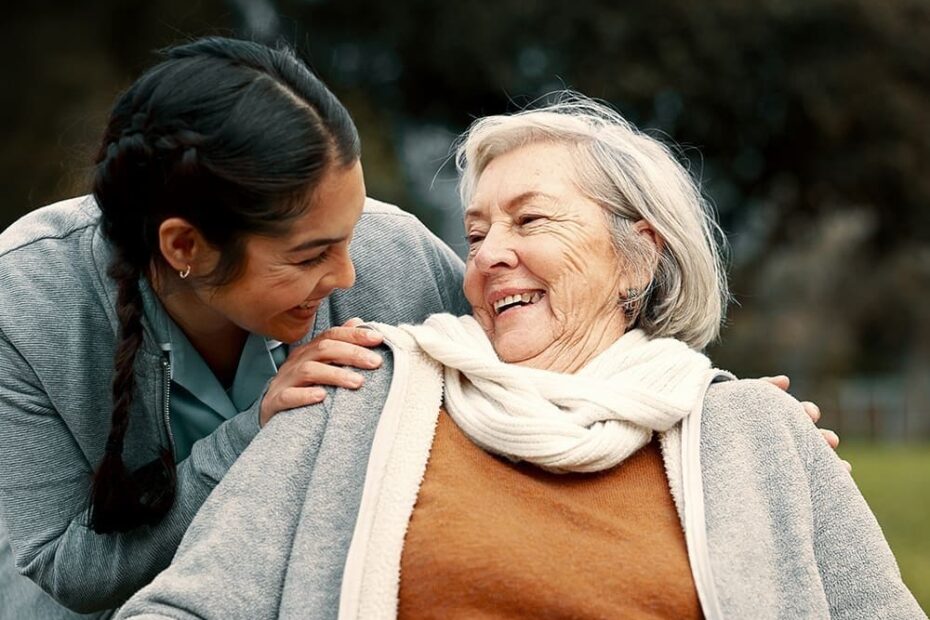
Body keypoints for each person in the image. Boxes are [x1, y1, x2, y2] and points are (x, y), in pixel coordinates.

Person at [115, 95, 924, 619]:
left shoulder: (753, 432)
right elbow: (184, 609)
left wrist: (772, 445)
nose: (490, 254)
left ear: (639, 257)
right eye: (474, 234)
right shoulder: (359, 394)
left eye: (530, 222)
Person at [0, 37, 468, 618]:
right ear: (183, 245)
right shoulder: (23, 299)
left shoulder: (396, 254)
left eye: (351, 231)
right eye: (308, 257)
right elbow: (68, 569)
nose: (346, 275)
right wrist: (256, 431)